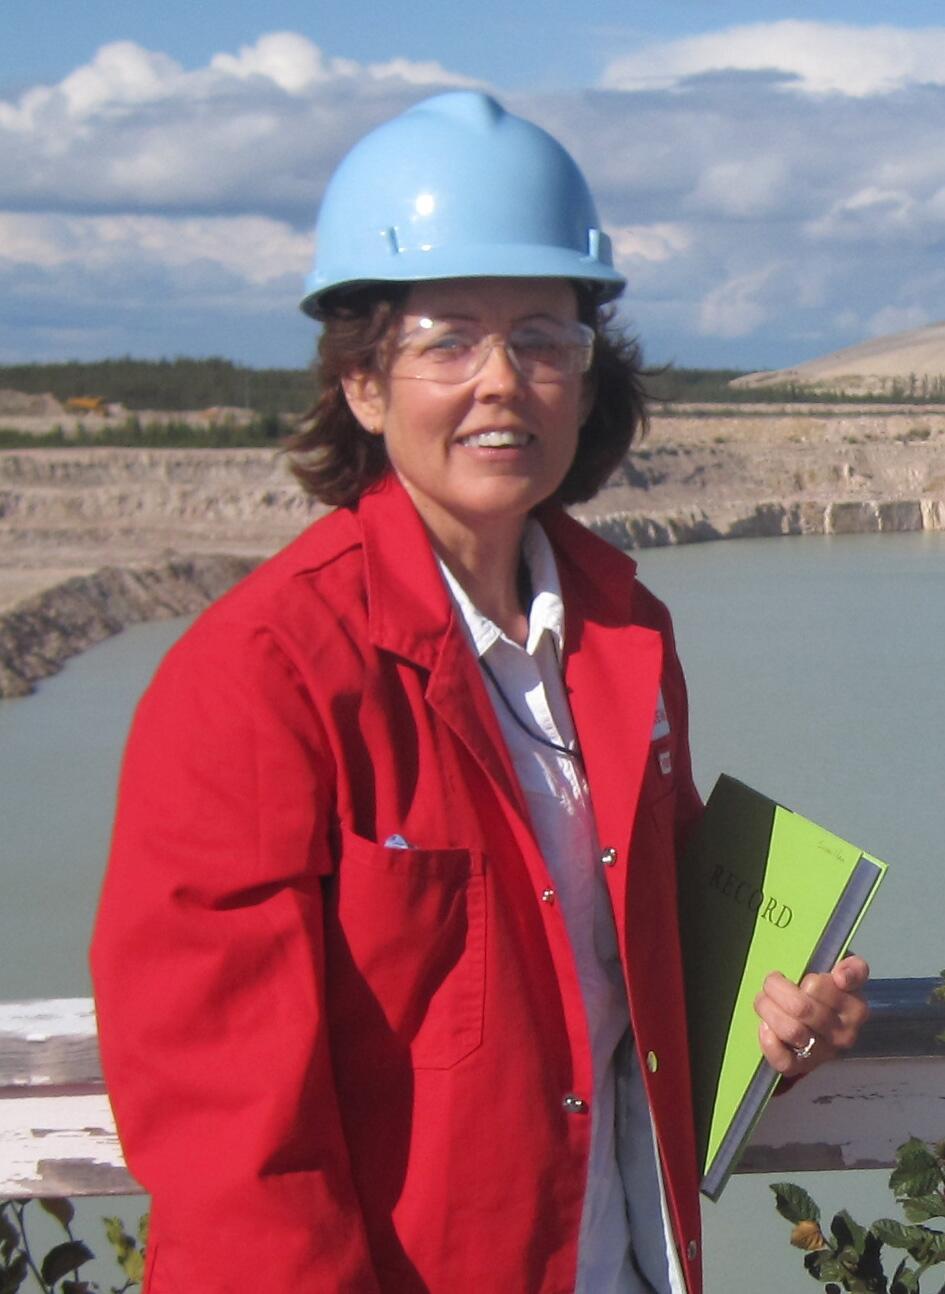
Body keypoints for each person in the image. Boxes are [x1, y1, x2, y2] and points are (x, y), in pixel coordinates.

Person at [90, 91, 869, 1294]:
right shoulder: (265, 676)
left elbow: (648, 959)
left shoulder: (624, 636)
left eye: (546, 341)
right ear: (361, 382)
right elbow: (231, 1143)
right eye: (449, 340)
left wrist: (778, 1023)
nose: (503, 383)